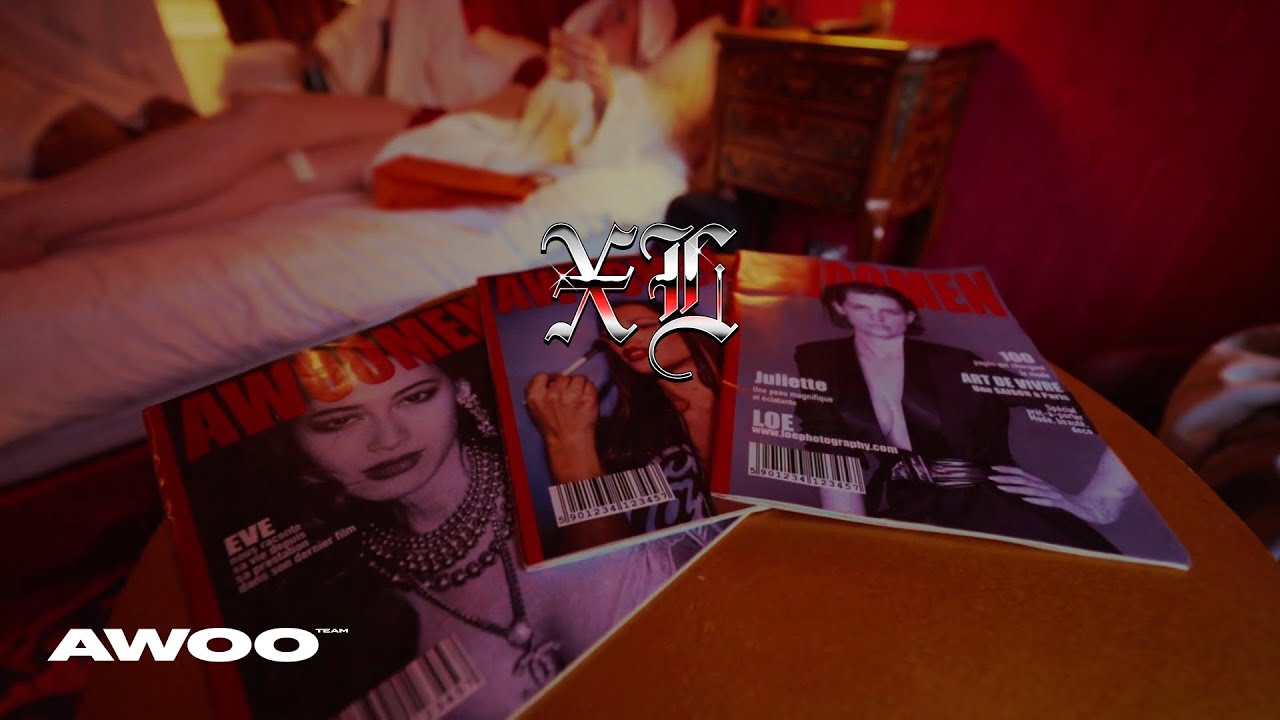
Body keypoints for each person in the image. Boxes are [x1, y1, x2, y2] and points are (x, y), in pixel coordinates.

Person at [0, 0, 676, 268]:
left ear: (650, 43)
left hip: (448, 137)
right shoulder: (537, 59)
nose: (604, 20)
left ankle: (40, 221)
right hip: (441, 126)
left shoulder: (629, 90)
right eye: (607, 9)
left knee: (265, 125)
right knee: (276, 171)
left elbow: (606, 147)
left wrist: (602, 90)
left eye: (624, 16)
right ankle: (63, 234)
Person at [240, 340, 705, 718]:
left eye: (415, 397)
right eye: (340, 420)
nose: (389, 439)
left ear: (460, 391)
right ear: (296, 442)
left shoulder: (584, 459)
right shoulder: (330, 602)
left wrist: (571, 448)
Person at [793, 281, 1125, 553]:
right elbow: (829, 445)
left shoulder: (955, 362)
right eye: (862, 307)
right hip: (905, 508)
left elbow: (1102, 419)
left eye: (889, 310)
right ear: (840, 307)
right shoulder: (821, 359)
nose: (875, 319)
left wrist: (1103, 502)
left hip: (999, 510)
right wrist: (850, 533)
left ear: (909, 314)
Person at [524, 299, 723, 553]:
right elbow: (600, 554)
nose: (624, 340)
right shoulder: (613, 439)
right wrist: (568, 442)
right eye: (613, 335)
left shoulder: (753, 398)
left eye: (642, 326)